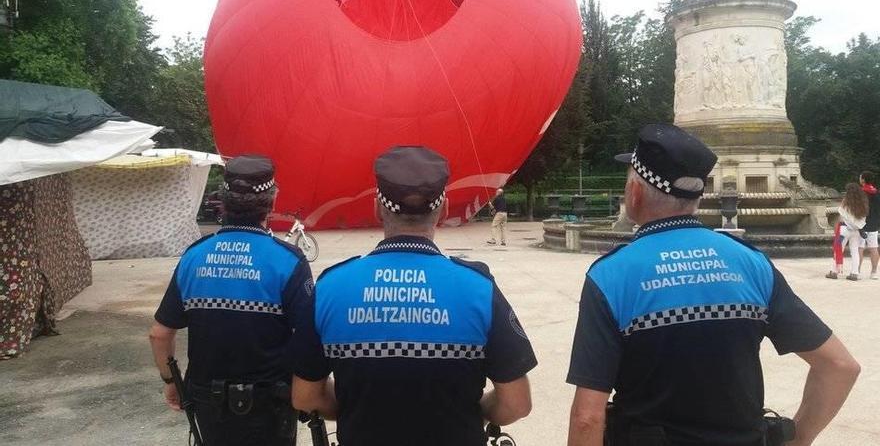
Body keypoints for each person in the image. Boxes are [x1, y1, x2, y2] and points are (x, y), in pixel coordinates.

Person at [566, 124, 860, 446]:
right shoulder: (751, 264)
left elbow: (588, 418)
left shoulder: (611, 276)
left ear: (635, 192)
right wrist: (796, 439)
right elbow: (839, 366)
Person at [292, 146, 537, 446]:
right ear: (443, 209)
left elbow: (305, 396)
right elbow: (517, 403)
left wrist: (353, 411)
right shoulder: (478, 289)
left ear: (377, 208)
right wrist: (477, 413)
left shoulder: (332, 287)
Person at [148, 155, 314, 446]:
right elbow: (310, 336)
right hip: (270, 405)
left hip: (208, 404)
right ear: (272, 201)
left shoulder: (194, 256)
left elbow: (160, 333)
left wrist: (171, 382)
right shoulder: (287, 261)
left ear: (223, 202)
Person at [826, 183, 868, 281]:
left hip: (844, 230)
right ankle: (854, 273)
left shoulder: (846, 202)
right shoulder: (863, 203)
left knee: (838, 250)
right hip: (856, 231)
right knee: (855, 252)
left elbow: (841, 214)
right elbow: (863, 219)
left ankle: (834, 272)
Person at [858, 171, 880, 279]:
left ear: (863, 180)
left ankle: (856, 271)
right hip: (874, 223)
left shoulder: (861, 192)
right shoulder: (877, 192)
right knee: (874, 247)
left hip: (861, 224)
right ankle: (874, 272)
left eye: (860, 178)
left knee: (860, 248)